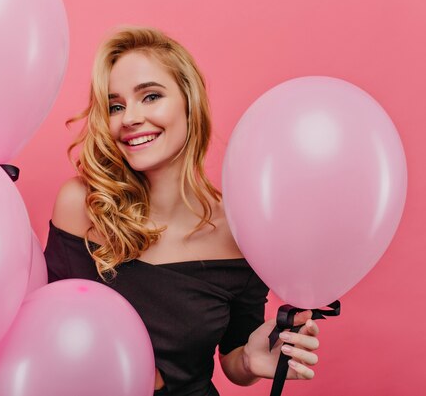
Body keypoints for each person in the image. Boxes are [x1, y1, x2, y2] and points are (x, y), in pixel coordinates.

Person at [44, 26, 320, 396]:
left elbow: (234, 356)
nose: (129, 119)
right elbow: (43, 331)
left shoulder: (240, 230)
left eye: (151, 96)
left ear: (190, 103)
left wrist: (251, 361)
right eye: (116, 106)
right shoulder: (82, 206)